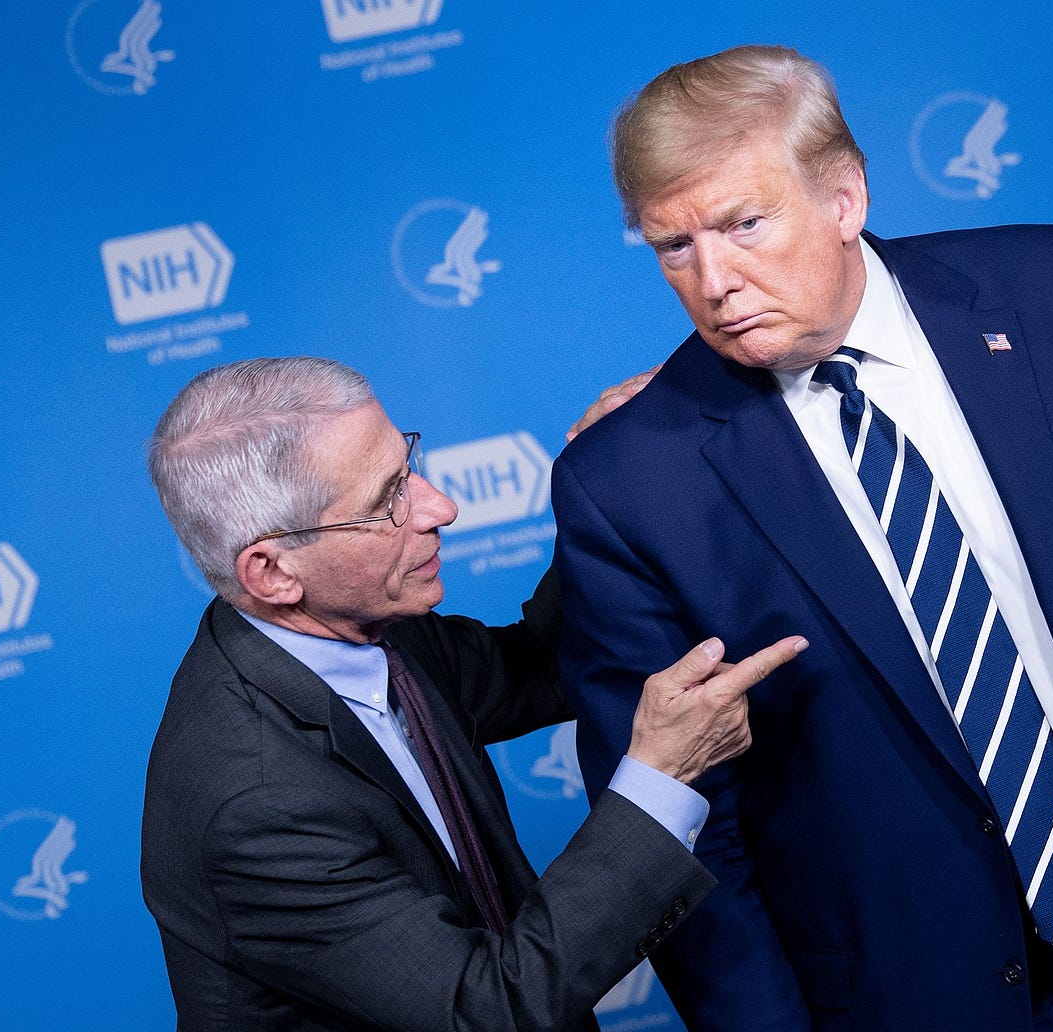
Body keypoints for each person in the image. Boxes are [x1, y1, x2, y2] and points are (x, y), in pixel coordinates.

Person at [551, 43, 1053, 1032]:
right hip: (919, 995)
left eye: (743, 224)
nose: (713, 280)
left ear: (844, 197)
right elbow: (684, 829)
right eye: (672, 246)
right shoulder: (630, 481)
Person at [139, 355, 805, 1031]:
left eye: (408, 467)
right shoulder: (256, 804)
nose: (441, 508)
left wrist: (606, 483)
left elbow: (546, 665)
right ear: (273, 573)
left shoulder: (372, 630)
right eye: (386, 501)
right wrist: (660, 777)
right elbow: (488, 1012)